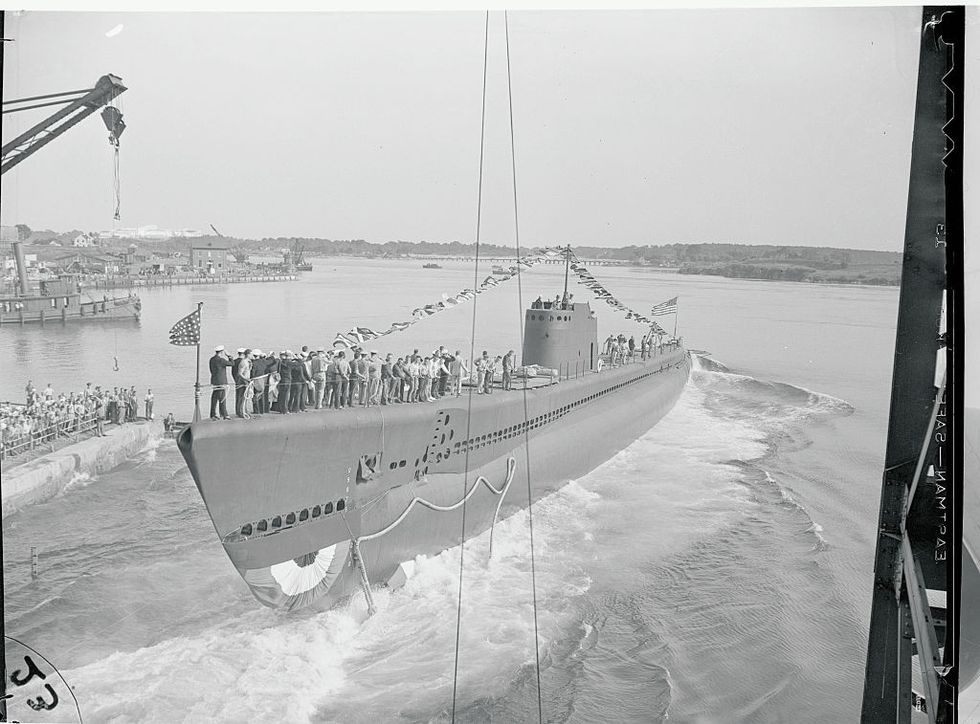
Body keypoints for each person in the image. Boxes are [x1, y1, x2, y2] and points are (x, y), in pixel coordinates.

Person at [209, 346, 233, 420]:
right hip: (221, 381)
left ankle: (213, 414)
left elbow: (211, 370)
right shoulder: (221, 360)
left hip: (214, 380)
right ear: (222, 352)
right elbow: (232, 363)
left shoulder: (212, 359)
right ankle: (224, 414)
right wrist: (229, 356)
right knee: (222, 398)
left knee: (214, 398)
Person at [236, 351, 253, 418]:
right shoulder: (243, 362)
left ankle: (245, 411)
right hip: (243, 382)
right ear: (248, 354)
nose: (252, 355)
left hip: (247, 382)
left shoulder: (249, 362)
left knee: (246, 398)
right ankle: (241, 412)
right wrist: (246, 379)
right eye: (251, 354)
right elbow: (240, 373)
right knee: (241, 398)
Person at [232, 348, 246, 418]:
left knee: (238, 397)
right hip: (242, 381)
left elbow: (233, 372)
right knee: (242, 397)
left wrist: (235, 379)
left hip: (236, 381)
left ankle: (237, 411)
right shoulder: (244, 362)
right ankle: (241, 412)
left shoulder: (234, 361)